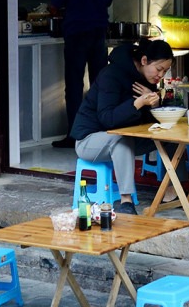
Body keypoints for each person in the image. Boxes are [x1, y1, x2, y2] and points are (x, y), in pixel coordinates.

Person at [71, 39, 173, 214]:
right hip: (89, 140)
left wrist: (154, 105)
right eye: (158, 69)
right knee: (120, 140)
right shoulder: (110, 75)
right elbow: (107, 119)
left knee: (171, 136)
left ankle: (173, 192)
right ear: (143, 60)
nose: (160, 75)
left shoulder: (146, 80)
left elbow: (146, 122)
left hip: (125, 137)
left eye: (164, 71)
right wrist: (137, 103)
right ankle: (125, 201)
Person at [49, 0, 114, 148]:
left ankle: (75, 135)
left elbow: (54, 4)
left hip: (76, 33)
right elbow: (107, 0)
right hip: (98, 32)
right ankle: (100, 131)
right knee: (99, 84)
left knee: (75, 85)